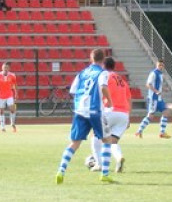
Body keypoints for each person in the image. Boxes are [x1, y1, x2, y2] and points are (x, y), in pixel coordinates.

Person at [55, 48, 116, 184]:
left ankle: (61, 170)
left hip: (80, 111)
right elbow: (103, 86)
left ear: (91, 58)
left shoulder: (82, 73)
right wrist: (109, 101)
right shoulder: (102, 73)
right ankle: (105, 173)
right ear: (104, 59)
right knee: (107, 140)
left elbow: (73, 90)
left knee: (75, 143)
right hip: (95, 111)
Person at [89, 56, 132, 173]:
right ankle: (119, 158)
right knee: (112, 141)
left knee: (95, 136)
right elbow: (129, 99)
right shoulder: (122, 80)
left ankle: (99, 164)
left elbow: (100, 90)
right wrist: (128, 117)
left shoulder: (104, 76)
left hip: (109, 110)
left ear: (103, 65)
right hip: (123, 114)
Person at [134, 59, 171, 139]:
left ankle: (162, 132)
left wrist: (164, 89)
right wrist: (156, 91)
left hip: (159, 99)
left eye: (162, 65)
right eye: (159, 65)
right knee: (150, 116)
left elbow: (159, 85)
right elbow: (148, 84)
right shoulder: (153, 73)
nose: (160, 67)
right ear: (156, 65)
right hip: (153, 98)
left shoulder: (161, 74)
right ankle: (139, 131)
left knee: (166, 112)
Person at [0, 61, 18, 132]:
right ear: (2, 68)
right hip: (0, 96)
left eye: (7, 67)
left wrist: (16, 93)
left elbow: (15, 85)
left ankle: (12, 123)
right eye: (4, 67)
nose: (5, 69)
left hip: (9, 95)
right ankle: (2, 127)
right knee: (1, 111)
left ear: (9, 69)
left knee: (12, 108)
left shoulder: (12, 75)